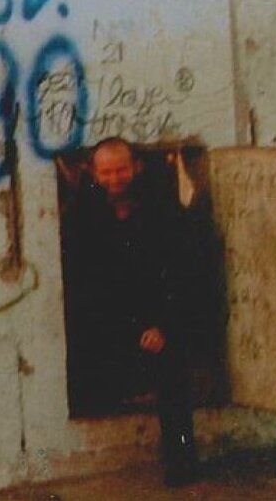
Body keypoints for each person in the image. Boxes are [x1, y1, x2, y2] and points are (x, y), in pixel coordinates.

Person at [62, 136, 202, 487]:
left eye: (120, 169)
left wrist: (164, 326)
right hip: (109, 322)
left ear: (136, 167)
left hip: (156, 320)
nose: (114, 178)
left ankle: (182, 460)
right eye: (105, 172)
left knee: (173, 370)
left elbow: (184, 272)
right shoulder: (83, 215)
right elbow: (82, 282)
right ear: (92, 173)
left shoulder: (161, 208)